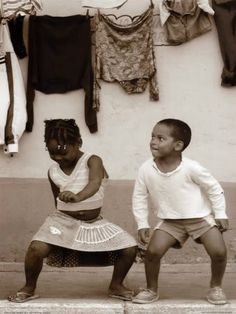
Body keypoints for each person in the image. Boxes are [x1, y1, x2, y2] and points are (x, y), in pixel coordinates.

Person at [8, 119, 137, 303]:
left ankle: (116, 285)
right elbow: (57, 200)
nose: (58, 157)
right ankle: (29, 287)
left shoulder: (92, 160)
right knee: (36, 249)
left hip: (94, 222)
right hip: (62, 220)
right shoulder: (52, 171)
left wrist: (78, 197)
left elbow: (94, 183)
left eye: (63, 151)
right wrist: (54, 232)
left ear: (79, 143)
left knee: (129, 248)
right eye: (52, 153)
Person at [131, 118, 229, 305]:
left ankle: (216, 287)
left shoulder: (192, 167)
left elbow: (214, 188)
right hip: (170, 221)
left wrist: (220, 214)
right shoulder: (146, 169)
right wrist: (142, 223)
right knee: (152, 252)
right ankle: (151, 289)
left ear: (178, 145)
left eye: (160, 138)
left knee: (218, 251)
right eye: (152, 136)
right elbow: (139, 197)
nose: (153, 141)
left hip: (200, 219)